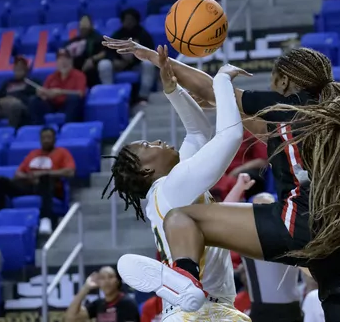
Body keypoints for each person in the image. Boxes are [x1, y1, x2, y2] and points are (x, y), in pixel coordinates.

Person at [103, 36, 340, 321]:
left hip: (300, 224)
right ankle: (183, 281)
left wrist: (217, 82)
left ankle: (183, 276)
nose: (158, 141)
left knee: (182, 218)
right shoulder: (325, 114)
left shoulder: (280, 108)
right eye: (148, 145)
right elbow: (208, 126)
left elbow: (214, 106)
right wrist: (179, 90)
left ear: (284, 82)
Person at [104, 46, 250, 321]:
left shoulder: (168, 191)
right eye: (147, 145)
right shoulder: (174, 186)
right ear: (145, 168)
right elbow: (229, 136)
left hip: (197, 310)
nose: (157, 141)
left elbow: (198, 132)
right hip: (201, 310)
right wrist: (221, 81)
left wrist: (173, 90)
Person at [225, 177, 303, 322]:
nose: (263, 214)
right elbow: (222, 218)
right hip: (263, 311)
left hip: (293, 310)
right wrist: (239, 187)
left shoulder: (291, 233)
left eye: (267, 208)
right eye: (258, 209)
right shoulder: (246, 237)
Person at [0, 127, 75, 234]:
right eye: (43, 138)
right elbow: (18, 173)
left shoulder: (62, 152)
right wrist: (29, 176)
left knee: (45, 179)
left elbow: (70, 172)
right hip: (29, 184)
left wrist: (44, 173)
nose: (46, 140)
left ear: (54, 139)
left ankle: (45, 220)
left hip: (50, 186)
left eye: (49, 137)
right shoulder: (33, 153)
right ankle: (2, 216)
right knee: (0, 181)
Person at [98, 9, 155, 103]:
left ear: (136, 21)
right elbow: (108, 52)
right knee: (104, 64)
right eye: (126, 20)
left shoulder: (144, 35)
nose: (128, 22)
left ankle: (143, 96)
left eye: (131, 20)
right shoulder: (117, 34)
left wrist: (132, 60)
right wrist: (114, 61)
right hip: (119, 66)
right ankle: (109, 94)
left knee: (148, 64)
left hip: (137, 65)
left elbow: (151, 53)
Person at [30, 49, 86, 124]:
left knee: (74, 98)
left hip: (69, 105)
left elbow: (80, 93)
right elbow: (45, 92)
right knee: (34, 100)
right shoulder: (51, 77)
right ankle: (38, 128)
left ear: (71, 61)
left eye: (66, 58)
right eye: (60, 59)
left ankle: (69, 127)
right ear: (56, 62)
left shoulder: (79, 75)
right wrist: (42, 94)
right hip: (53, 104)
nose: (63, 61)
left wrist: (61, 92)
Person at [65, 266, 140, 322]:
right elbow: (71, 318)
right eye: (102, 278)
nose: (107, 281)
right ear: (99, 283)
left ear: (117, 281)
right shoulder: (98, 304)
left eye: (110, 277)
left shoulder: (128, 303)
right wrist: (86, 288)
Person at [64, 15, 106, 87]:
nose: (83, 26)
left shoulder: (99, 39)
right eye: (81, 24)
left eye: (86, 24)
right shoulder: (73, 41)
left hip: (94, 69)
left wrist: (92, 59)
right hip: (77, 70)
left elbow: (105, 52)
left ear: (91, 26)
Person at [0, 56, 36, 128]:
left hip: (21, 106)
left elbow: (36, 97)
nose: (18, 69)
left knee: (15, 105)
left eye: (21, 67)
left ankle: (11, 131)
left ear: (26, 69)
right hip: (4, 105)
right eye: (16, 67)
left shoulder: (32, 82)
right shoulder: (8, 83)